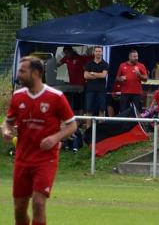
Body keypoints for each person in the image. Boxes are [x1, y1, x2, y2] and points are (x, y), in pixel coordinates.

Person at [2, 56, 78, 225]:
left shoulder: (56, 97)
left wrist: (55, 137)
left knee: (38, 203)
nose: (19, 75)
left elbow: (72, 125)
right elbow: (8, 121)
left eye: (23, 71)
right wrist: (6, 130)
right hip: (22, 159)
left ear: (36, 73)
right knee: (19, 209)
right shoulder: (18, 96)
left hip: (46, 159)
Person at [58, 45, 88, 113]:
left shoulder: (80, 58)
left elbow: (86, 69)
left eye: (67, 53)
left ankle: (81, 117)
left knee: (81, 102)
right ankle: (76, 118)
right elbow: (57, 64)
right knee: (74, 101)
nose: (67, 54)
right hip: (72, 84)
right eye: (65, 53)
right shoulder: (66, 58)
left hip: (81, 84)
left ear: (71, 51)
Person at [83, 46, 109, 119]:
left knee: (101, 110)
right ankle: (88, 129)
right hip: (90, 90)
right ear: (94, 52)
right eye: (96, 51)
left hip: (101, 90)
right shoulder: (89, 64)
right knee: (89, 110)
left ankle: (101, 129)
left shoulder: (105, 64)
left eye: (100, 51)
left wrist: (93, 73)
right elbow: (85, 76)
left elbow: (103, 75)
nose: (98, 53)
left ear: (102, 53)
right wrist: (98, 75)